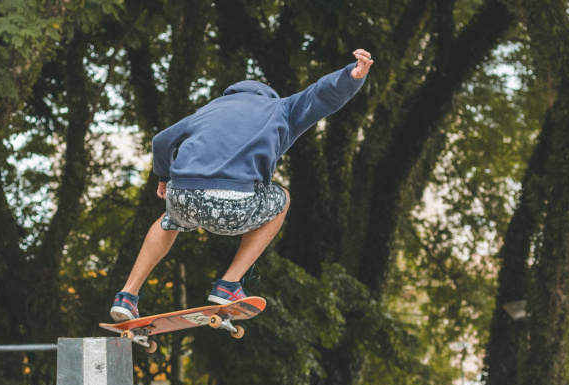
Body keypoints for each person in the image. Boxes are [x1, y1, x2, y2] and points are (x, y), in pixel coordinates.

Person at [110, 49, 374, 321]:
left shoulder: (208, 110)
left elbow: (161, 141)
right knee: (282, 198)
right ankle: (229, 284)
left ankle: (127, 295)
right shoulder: (281, 107)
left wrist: (164, 177)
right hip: (233, 203)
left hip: (182, 196)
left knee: (169, 220)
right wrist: (351, 76)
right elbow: (320, 95)